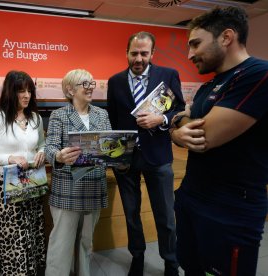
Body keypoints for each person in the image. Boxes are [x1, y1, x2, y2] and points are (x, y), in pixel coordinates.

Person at [170, 6, 268, 275]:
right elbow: (181, 122)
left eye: (195, 44)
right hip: (193, 198)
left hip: (230, 211)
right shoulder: (208, 86)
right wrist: (177, 130)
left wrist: (180, 126)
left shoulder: (258, 74)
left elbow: (204, 137)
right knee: (191, 268)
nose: (189, 55)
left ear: (226, 37)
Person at [107, 31, 185, 276]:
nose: (138, 58)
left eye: (143, 53)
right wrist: (115, 156)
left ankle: (171, 262)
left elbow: (180, 109)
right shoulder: (115, 81)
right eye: (134, 53)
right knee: (131, 214)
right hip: (126, 159)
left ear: (152, 53)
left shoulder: (168, 75)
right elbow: (112, 120)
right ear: (127, 53)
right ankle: (137, 257)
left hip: (158, 157)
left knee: (165, 216)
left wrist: (160, 118)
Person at [0, 70, 46, 275]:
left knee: (32, 229)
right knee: (13, 234)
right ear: (10, 92)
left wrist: (42, 153)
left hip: (33, 180)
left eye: (29, 91)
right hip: (8, 182)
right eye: (21, 91)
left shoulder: (35, 118)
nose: (27, 95)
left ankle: (32, 270)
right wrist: (10, 158)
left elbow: (42, 145)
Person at [45, 69, 111, 276]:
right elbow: (50, 148)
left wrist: (120, 156)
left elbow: (109, 147)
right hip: (67, 189)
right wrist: (58, 156)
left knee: (85, 242)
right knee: (61, 245)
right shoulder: (59, 115)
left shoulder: (102, 114)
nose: (91, 87)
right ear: (70, 89)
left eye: (92, 83)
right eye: (85, 84)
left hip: (94, 186)